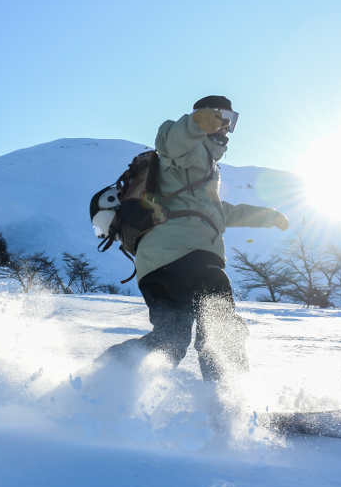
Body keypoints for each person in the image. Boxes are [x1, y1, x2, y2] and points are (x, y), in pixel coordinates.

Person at [97, 95, 289, 382]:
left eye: (232, 120)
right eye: (222, 117)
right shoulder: (188, 149)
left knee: (170, 341)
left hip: (157, 266)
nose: (226, 126)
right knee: (218, 311)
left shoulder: (205, 170)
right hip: (185, 256)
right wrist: (196, 124)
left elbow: (222, 213)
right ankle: (227, 394)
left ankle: (106, 377)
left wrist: (267, 216)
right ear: (205, 116)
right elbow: (169, 141)